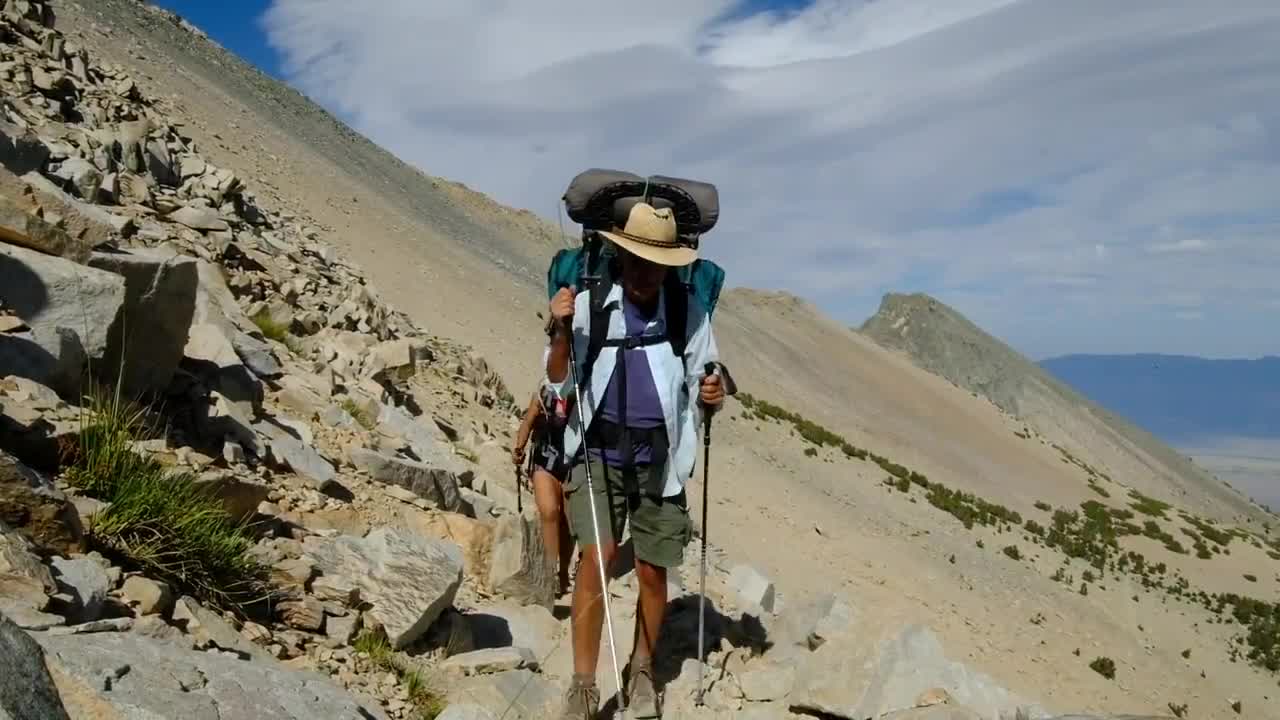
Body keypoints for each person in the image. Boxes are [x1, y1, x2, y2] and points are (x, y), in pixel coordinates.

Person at [543, 201, 725, 719]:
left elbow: (708, 375)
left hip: (660, 459)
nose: (647, 274)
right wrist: (558, 328)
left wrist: (714, 391)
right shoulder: (591, 303)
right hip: (597, 449)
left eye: (658, 264)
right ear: (620, 256)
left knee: (651, 570)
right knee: (596, 561)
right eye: (638, 261)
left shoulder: (688, 310)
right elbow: (557, 379)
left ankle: (641, 670)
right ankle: (583, 686)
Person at [511, 382, 575, 596]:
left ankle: (564, 573)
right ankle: (549, 573)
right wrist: (519, 447)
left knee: (568, 522)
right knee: (549, 511)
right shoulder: (542, 392)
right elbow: (528, 421)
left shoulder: (582, 392)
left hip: (572, 465)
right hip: (543, 461)